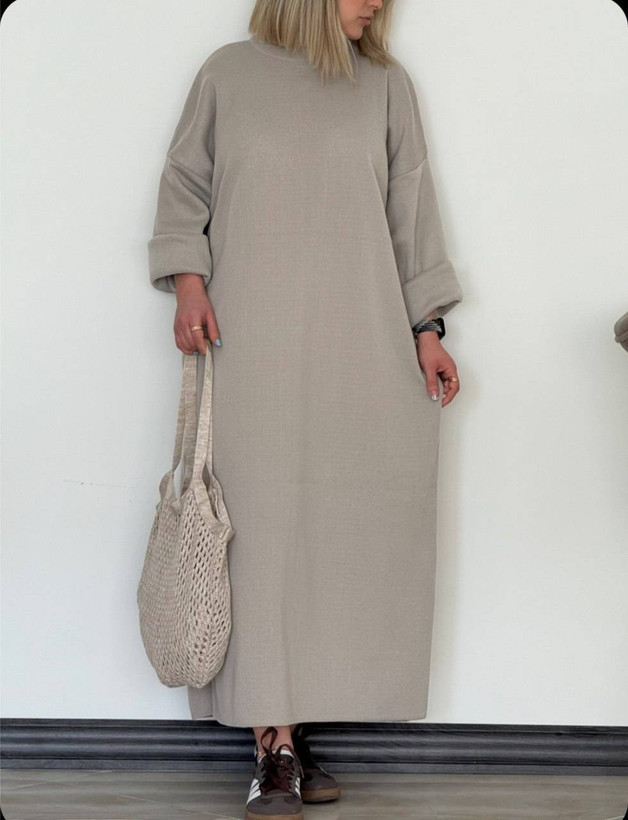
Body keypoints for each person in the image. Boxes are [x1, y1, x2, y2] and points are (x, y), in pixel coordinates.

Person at [147, 0, 464, 817]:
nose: (377, 4)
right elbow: (184, 185)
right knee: (259, 539)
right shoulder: (227, 75)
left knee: (342, 535)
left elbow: (411, 213)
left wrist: (428, 330)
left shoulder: (385, 86)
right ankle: (274, 746)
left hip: (362, 342)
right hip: (250, 343)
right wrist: (188, 284)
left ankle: (291, 738)